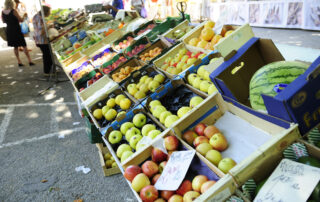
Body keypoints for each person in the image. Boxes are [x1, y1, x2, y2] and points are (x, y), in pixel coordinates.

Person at [1, 0, 34, 67]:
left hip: (9, 30)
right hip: (16, 29)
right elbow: (21, 20)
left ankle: (19, 61)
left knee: (15, 46)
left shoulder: (2, 12)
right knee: (23, 45)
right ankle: (30, 60)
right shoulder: (13, 11)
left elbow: (4, 21)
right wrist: (24, 16)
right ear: (12, 4)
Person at [32, 5, 53, 76]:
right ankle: (47, 71)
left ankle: (50, 69)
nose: (50, 13)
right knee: (47, 55)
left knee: (47, 55)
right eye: (49, 12)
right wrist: (49, 26)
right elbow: (41, 32)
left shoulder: (36, 16)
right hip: (42, 40)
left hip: (38, 39)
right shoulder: (40, 18)